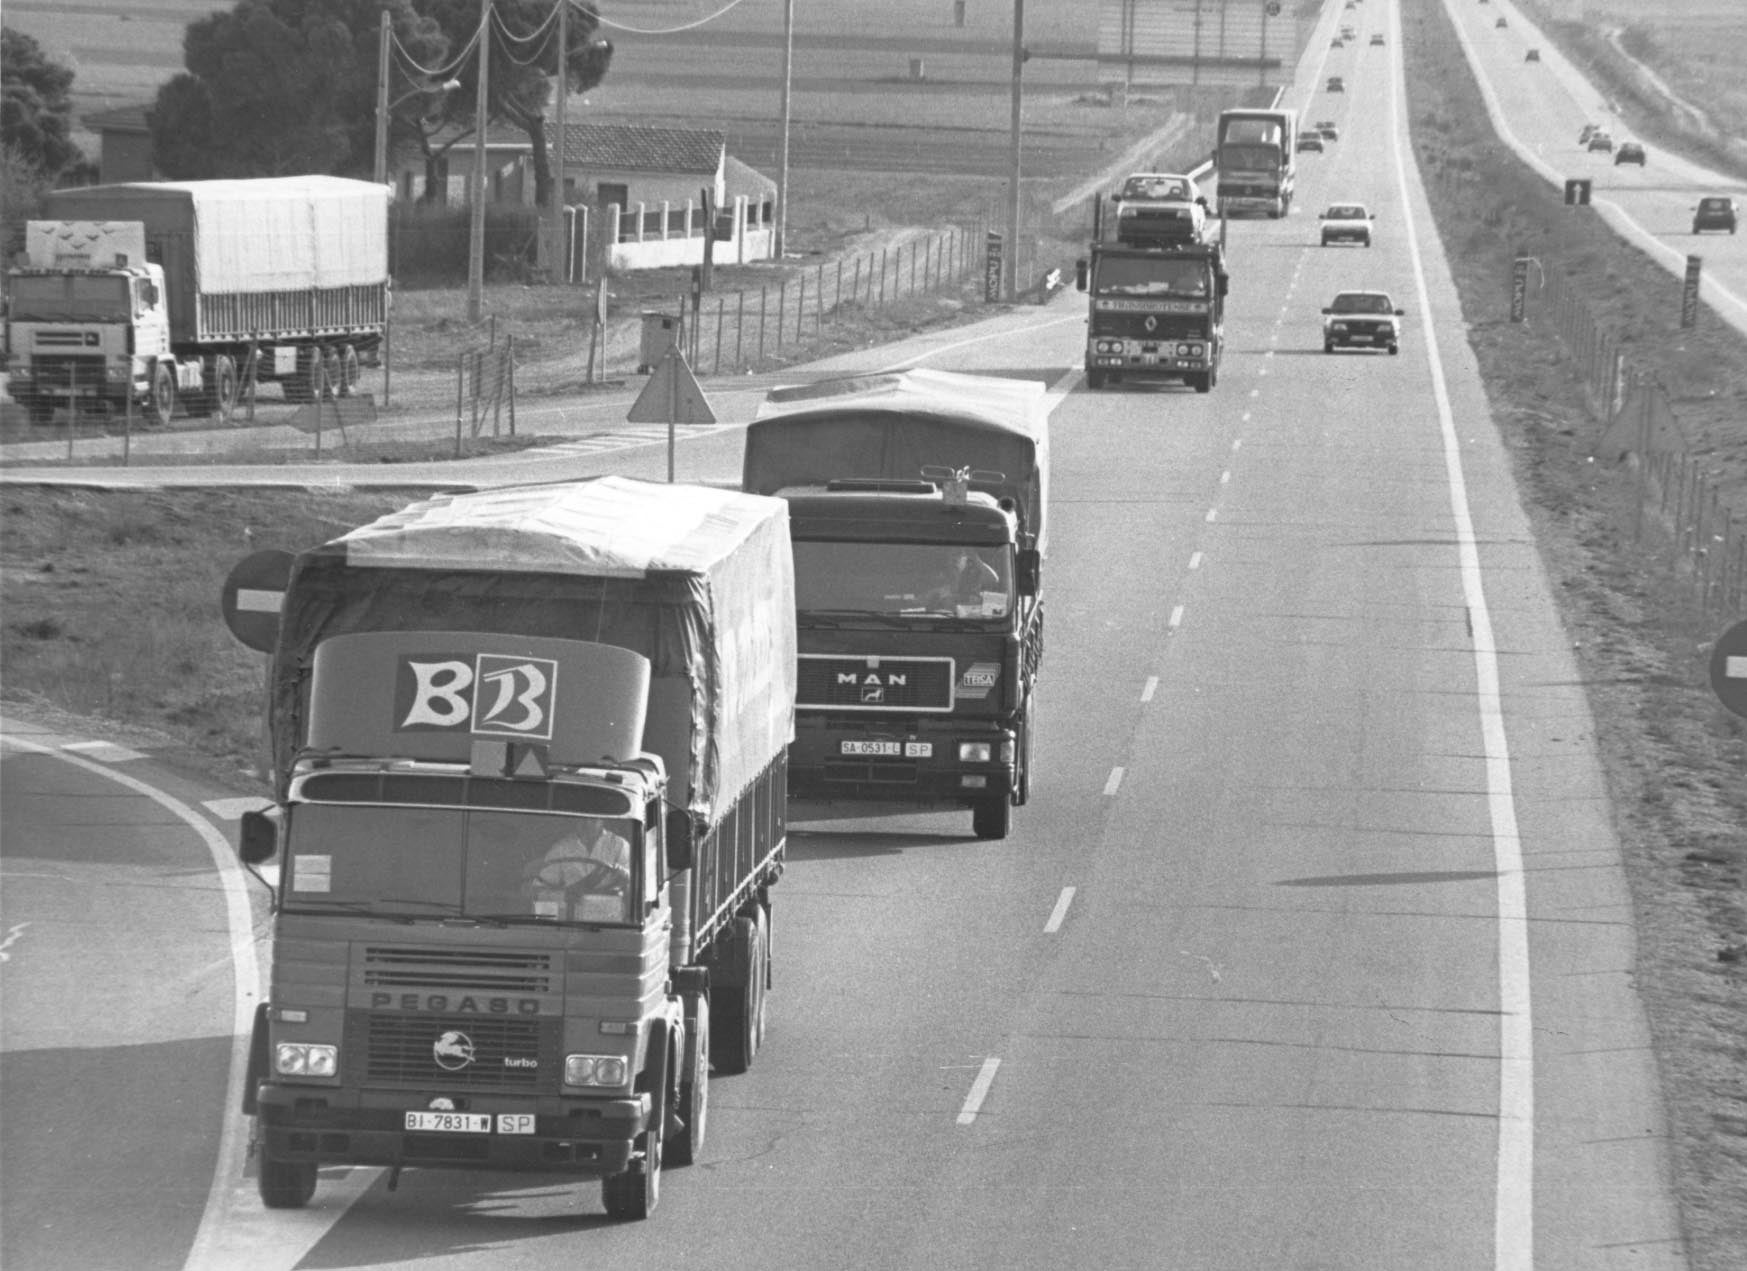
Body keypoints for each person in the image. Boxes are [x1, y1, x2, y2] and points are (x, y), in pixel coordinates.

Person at [524, 819, 633, 921]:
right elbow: (539, 890)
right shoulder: (561, 848)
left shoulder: (620, 845)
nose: (587, 823)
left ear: (602, 819)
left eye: (592, 818)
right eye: (583, 818)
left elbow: (636, 884)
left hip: (612, 919)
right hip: (572, 920)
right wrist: (564, 895)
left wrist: (623, 873)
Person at [927, 548, 1001, 609]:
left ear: (968, 559)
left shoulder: (975, 580)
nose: (955, 559)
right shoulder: (940, 582)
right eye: (952, 555)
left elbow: (993, 580)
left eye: (959, 555)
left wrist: (976, 560)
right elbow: (923, 599)